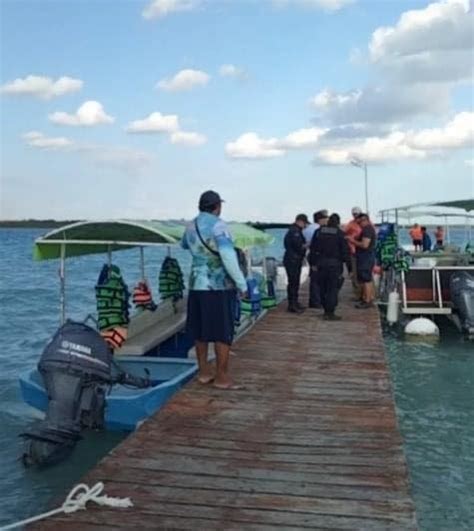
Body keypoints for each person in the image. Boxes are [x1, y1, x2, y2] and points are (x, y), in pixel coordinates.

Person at [181, 190, 248, 390]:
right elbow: (228, 257)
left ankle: (203, 372)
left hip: (196, 285)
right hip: (218, 286)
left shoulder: (190, 225)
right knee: (222, 332)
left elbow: (184, 245)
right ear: (217, 206)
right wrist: (241, 283)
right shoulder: (220, 226)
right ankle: (222, 377)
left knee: (200, 331)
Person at [309, 213, 351, 321]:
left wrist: (312, 264)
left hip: (320, 264)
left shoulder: (318, 232)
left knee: (322, 288)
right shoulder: (340, 234)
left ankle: (325, 311)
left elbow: (312, 249)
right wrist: (350, 268)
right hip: (334, 265)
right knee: (332, 289)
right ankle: (330, 313)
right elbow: (346, 252)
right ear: (338, 222)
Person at [347, 213, 376, 309]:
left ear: (365, 220)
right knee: (367, 278)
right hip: (367, 257)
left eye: (359, 221)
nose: (358, 224)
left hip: (365, 257)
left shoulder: (367, 230)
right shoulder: (368, 229)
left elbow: (364, 245)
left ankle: (367, 300)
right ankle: (369, 297)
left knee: (366, 279)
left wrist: (352, 241)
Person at [283, 213, 309, 313]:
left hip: (293, 259)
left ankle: (295, 302)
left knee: (295, 282)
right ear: (299, 221)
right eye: (304, 223)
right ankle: (292, 304)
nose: (305, 226)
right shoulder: (295, 231)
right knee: (293, 282)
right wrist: (306, 245)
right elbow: (298, 245)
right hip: (292, 260)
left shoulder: (294, 230)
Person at [306, 210, 329, 308]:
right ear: (321, 219)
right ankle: (317, 301)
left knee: (314, 280)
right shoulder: (318, 230)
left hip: (311, 256)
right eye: (326, 219)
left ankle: (314, 301)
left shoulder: (307, 229)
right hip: (319, 257)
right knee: (319, 280)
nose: (327, 220)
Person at [344, 206, 363, 301]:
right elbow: (344, 233)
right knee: (354, 274)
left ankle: (365, 295)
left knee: (364, 274)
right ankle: (357, 294)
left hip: (363, 252)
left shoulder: (366, 224)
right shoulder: (350, 224)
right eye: (354, 214)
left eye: (357, 214)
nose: (355, 216)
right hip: (352, 251)